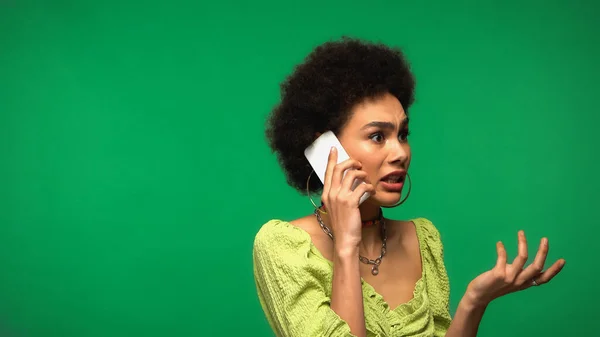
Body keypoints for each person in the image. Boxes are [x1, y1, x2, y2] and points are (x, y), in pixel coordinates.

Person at [252, 37, 565, 337]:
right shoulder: (284, 247)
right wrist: (346, 246)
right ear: (325, 148)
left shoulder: (422, 239)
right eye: (378, 136)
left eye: (402, 134)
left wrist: (473, 302)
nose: (401, 152)